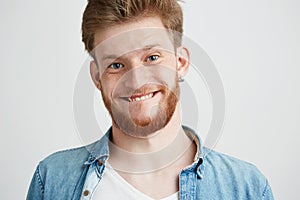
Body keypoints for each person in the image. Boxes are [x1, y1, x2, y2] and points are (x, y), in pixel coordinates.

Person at [26, 0, 274, 199]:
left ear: (181, 63)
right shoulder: (52, 180)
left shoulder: (246, 188)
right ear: (97, 76)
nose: (135, 81)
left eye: (152, 57)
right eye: (116, 64)